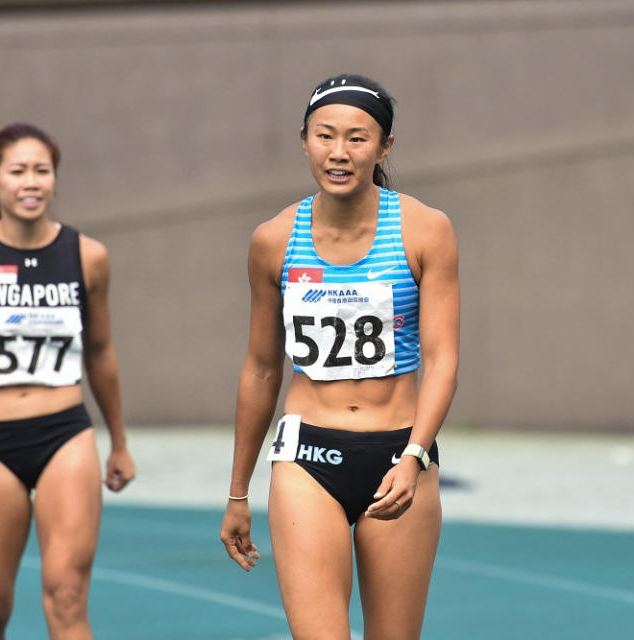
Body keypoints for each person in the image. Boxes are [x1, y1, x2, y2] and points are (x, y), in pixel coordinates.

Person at [218, 73, 459, 640]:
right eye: (325, 136)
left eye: (357, 138)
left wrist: (416, 454)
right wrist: (237, 491)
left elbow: (442, 357)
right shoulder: (273, 240)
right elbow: (261, 367)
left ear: (384, 147)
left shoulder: (425, 230)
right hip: (307, 454)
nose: (339, 153)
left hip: (400, 454)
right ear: (304, 141)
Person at [0, 122, 135, 640]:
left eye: (42, 170)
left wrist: (119, 443)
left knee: (66, 597)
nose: (31, 181)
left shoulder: (88, 256)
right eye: (17, 171)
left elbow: (102, 354)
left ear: (55, 180)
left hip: (67, 434)